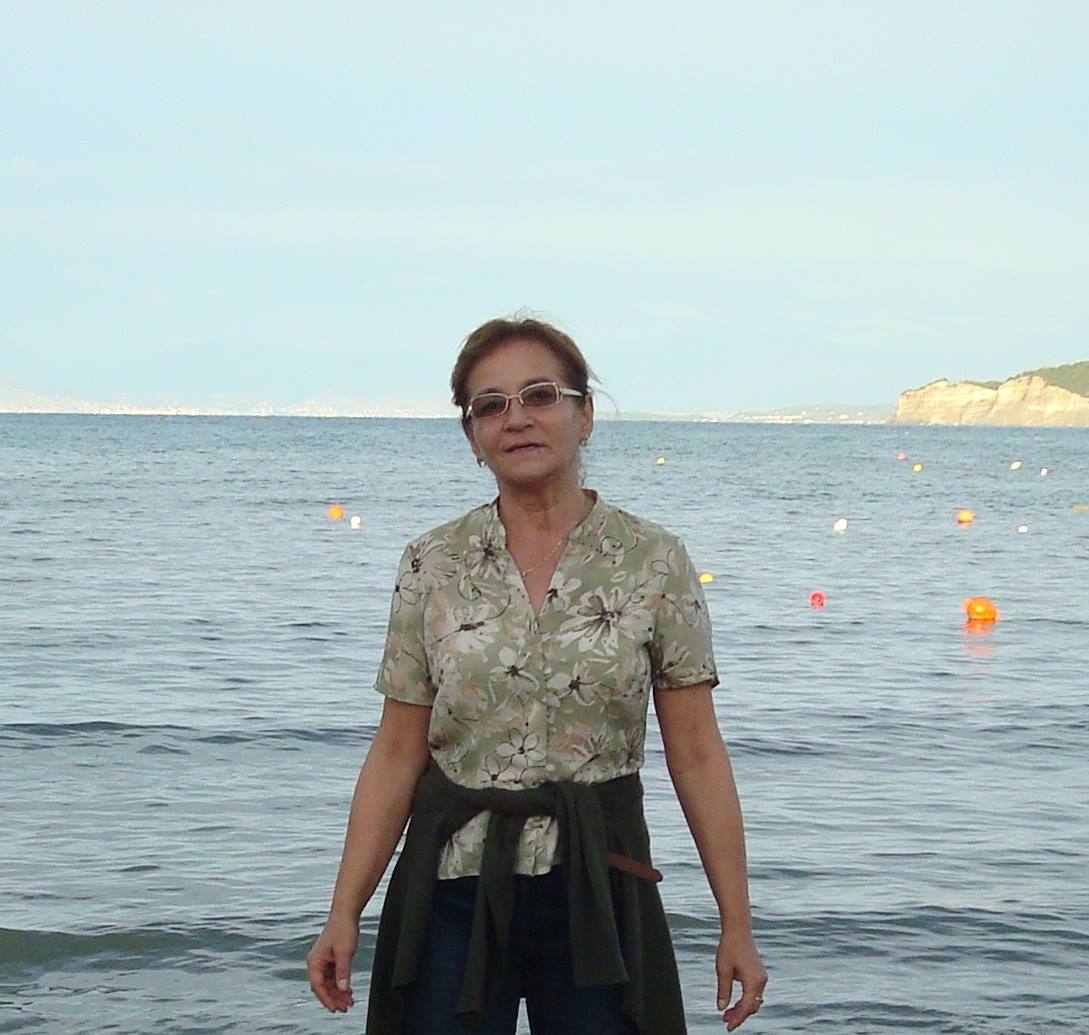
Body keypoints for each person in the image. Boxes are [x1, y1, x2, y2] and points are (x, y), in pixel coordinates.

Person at [307, 317, 767, 1034]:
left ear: (584, 415)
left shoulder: (654, 560)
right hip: (452, 883)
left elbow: (697, 751)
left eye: (540, 395)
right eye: (490, 405)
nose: (515, 418)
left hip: (600, 882)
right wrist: (344, 911)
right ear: (472, 436)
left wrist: (735, 922)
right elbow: (396, 751)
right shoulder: (432, 562)